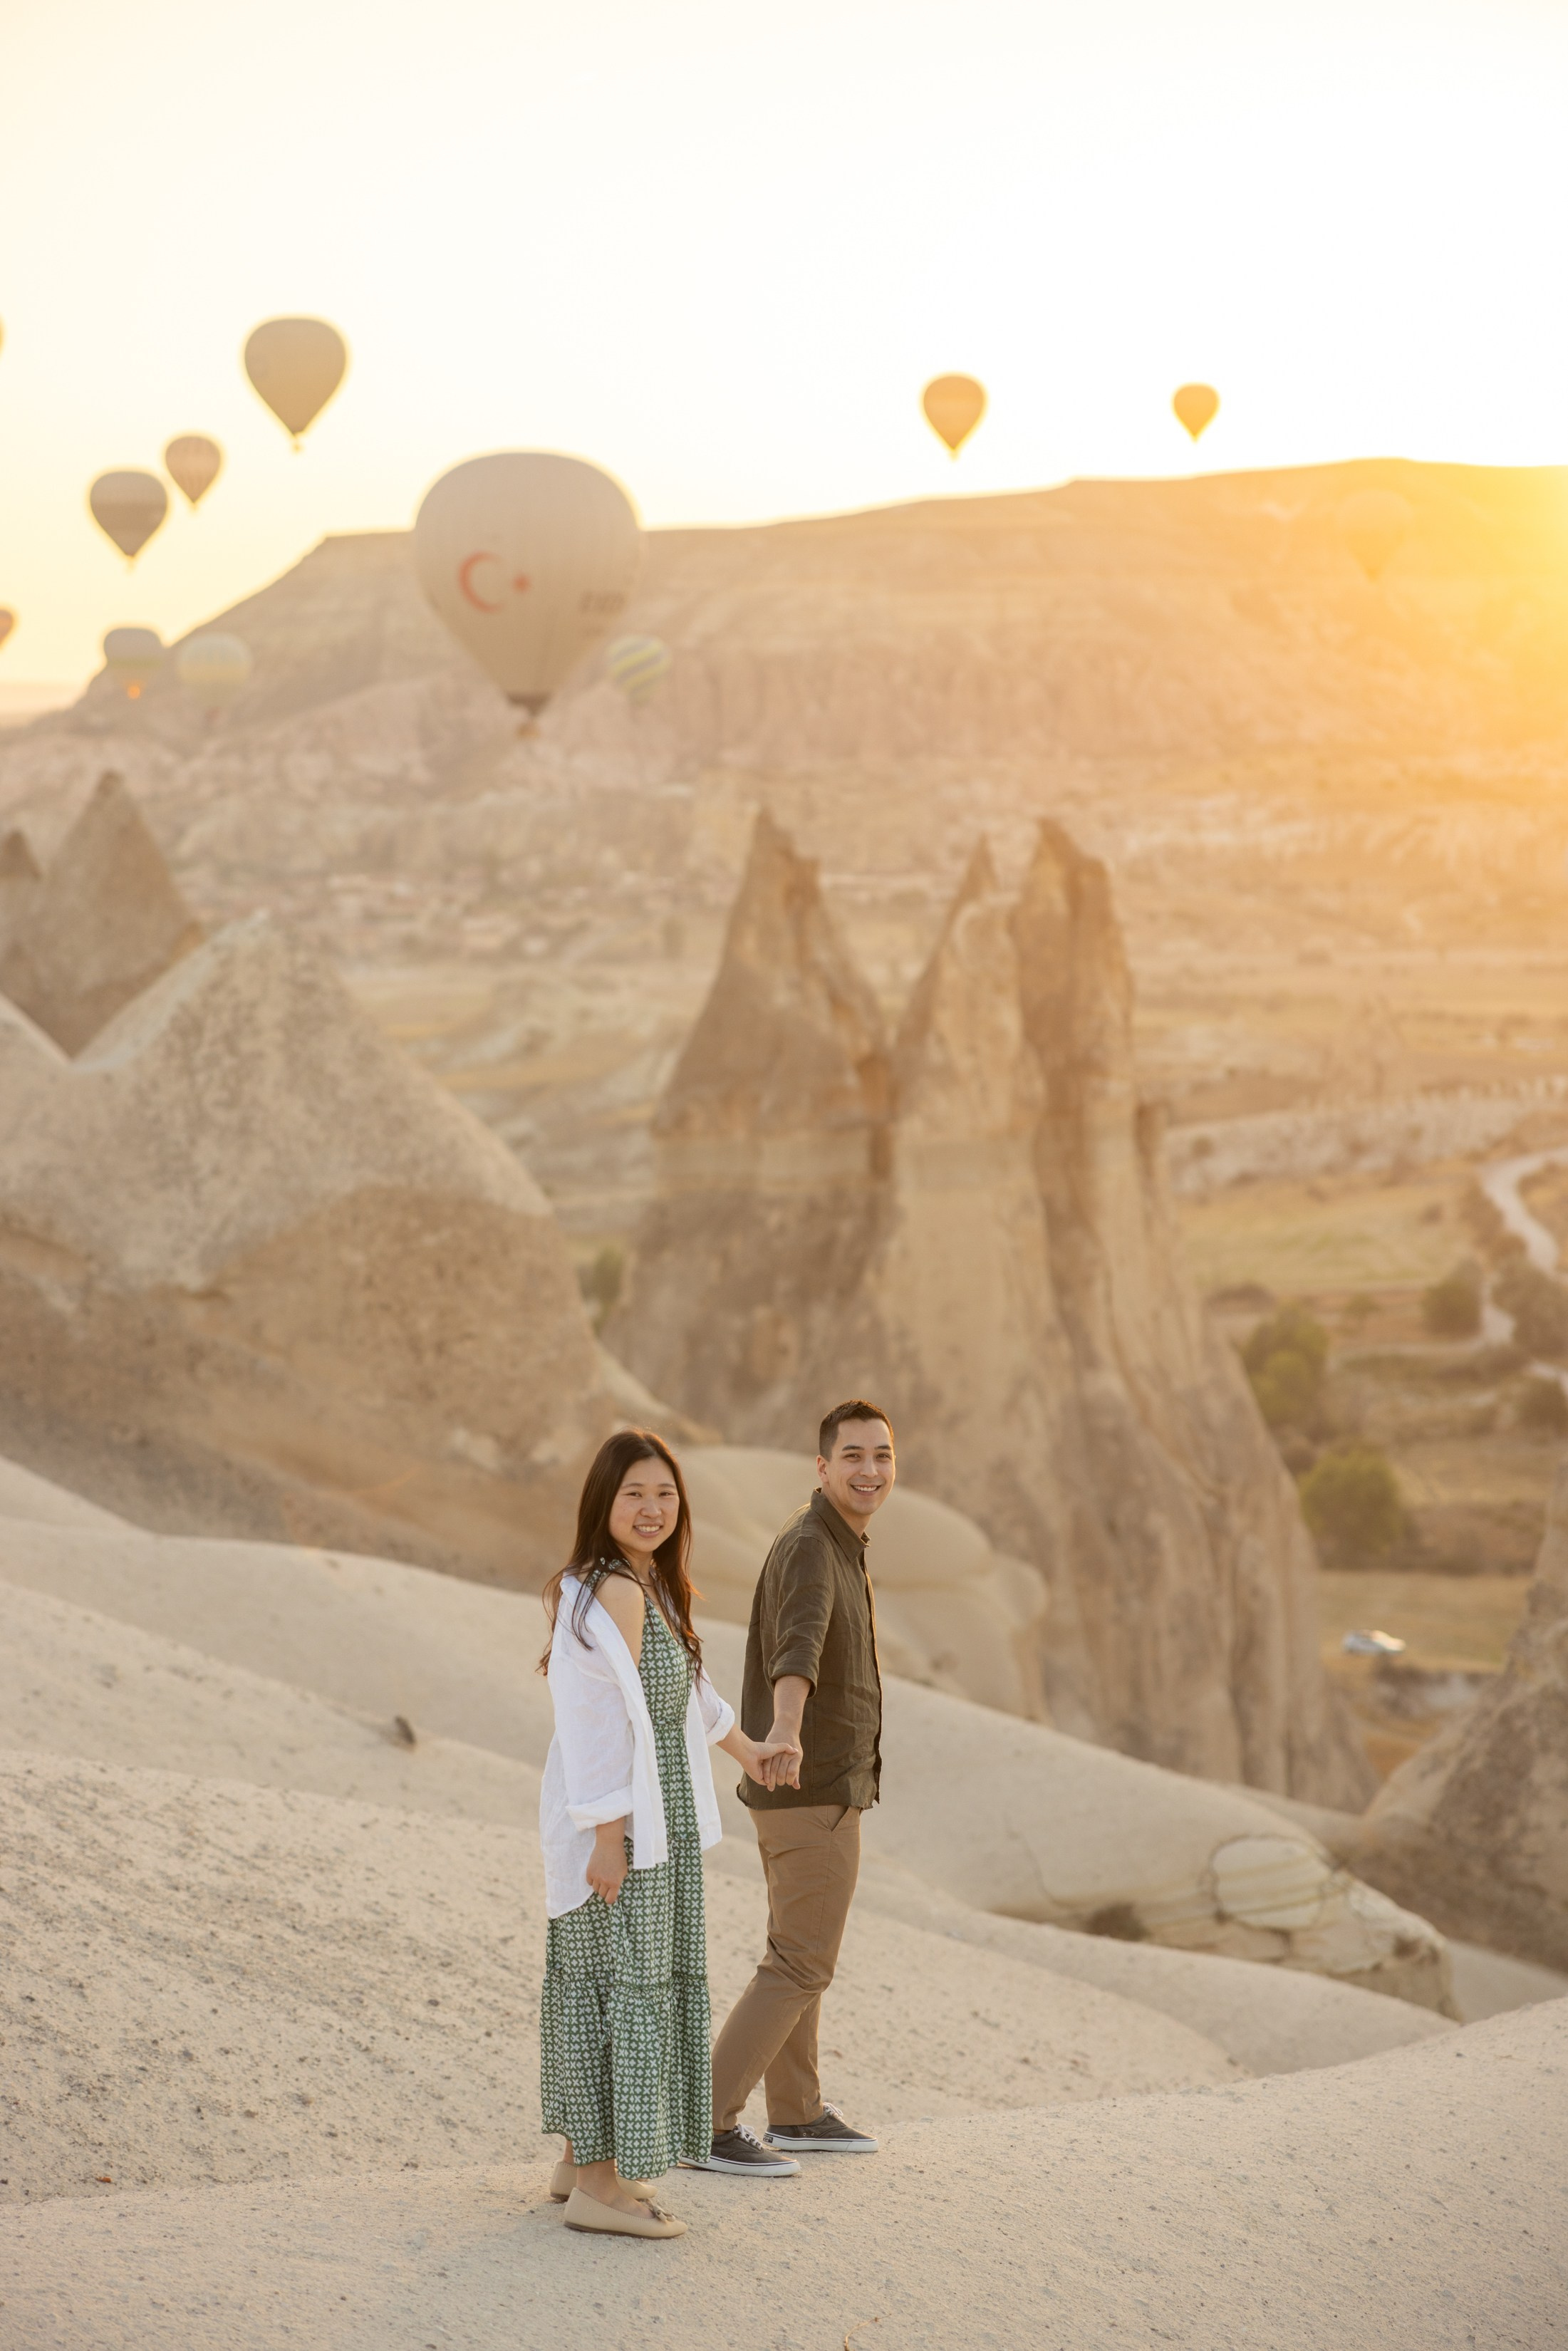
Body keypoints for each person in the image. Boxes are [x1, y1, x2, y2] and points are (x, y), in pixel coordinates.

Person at [537, 1428, 802, 2241]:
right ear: (602, 1505)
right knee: (620, 1989)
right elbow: (595, 1727)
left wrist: (748, 1749)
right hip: (622, 1827)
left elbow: (687, 1693)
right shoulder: (607, 1590)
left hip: (652, 1822)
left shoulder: (642, 1582)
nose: (652, 1510)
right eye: (633, 1496)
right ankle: (597, 2189)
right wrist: (607, 1836)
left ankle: (583, 2161)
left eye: (664, 1495)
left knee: (617, 1982)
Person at [692, 1401, 895, 2175]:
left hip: (815, 1785)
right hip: (809, 1786)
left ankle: (799, 2114)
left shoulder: (836, 1541)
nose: (868, 1470)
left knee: (796, 1952)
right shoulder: (813, 1548)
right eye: (851, 1456)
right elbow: (797, 1644)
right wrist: (785, 1729)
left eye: (880, 1455)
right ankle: (703, 2123)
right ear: (822, 1467)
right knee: (801, 1963)